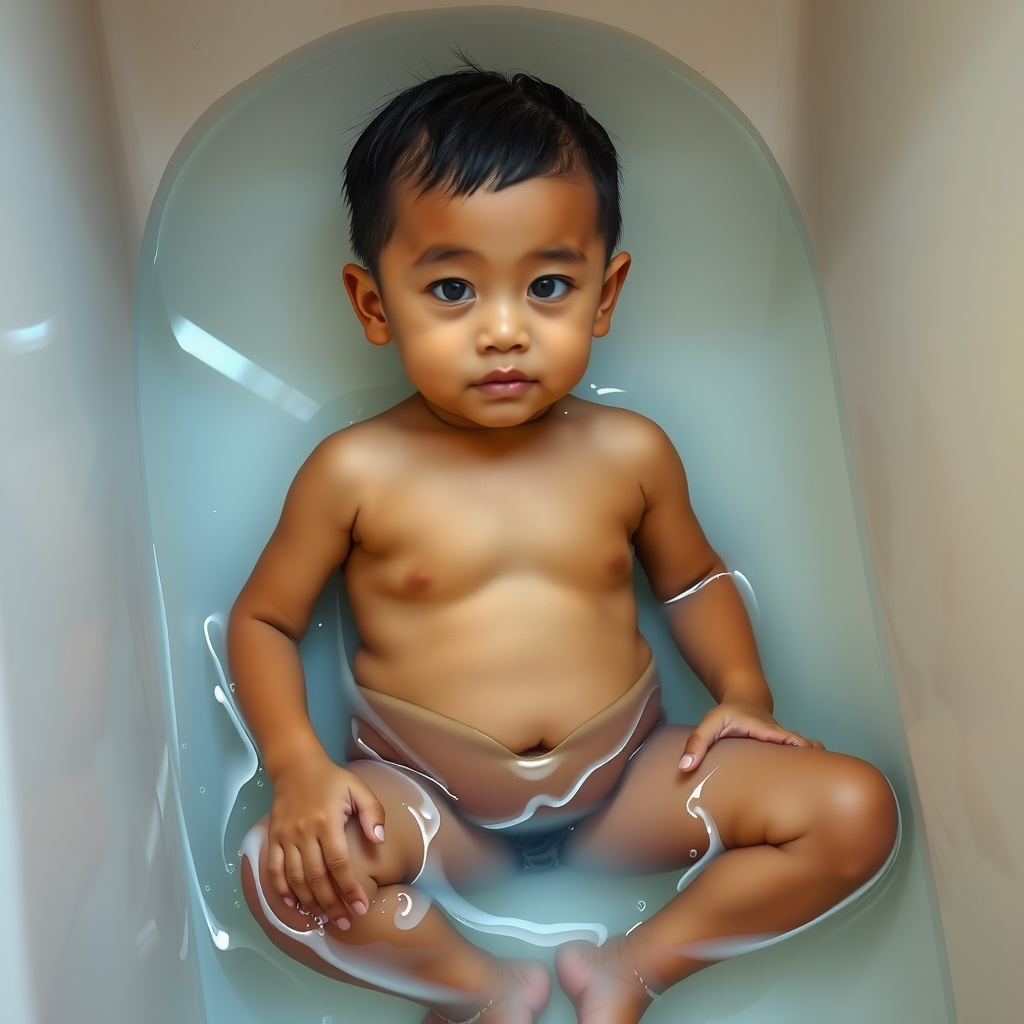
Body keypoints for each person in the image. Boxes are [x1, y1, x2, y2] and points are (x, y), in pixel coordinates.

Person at [228, 66, 898, 1024]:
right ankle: (474, 990)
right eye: (452, 289)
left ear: (606, 292)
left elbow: (693, 580)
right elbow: (263, 618)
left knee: (854, 813)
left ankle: (634, 966)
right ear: (375, 304)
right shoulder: (354, 472)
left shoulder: (629, 452)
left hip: (631, 787)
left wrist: (744, 697)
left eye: (548, 285)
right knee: (279, 876)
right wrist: (298, 766)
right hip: (425, 809)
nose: (505, 331)